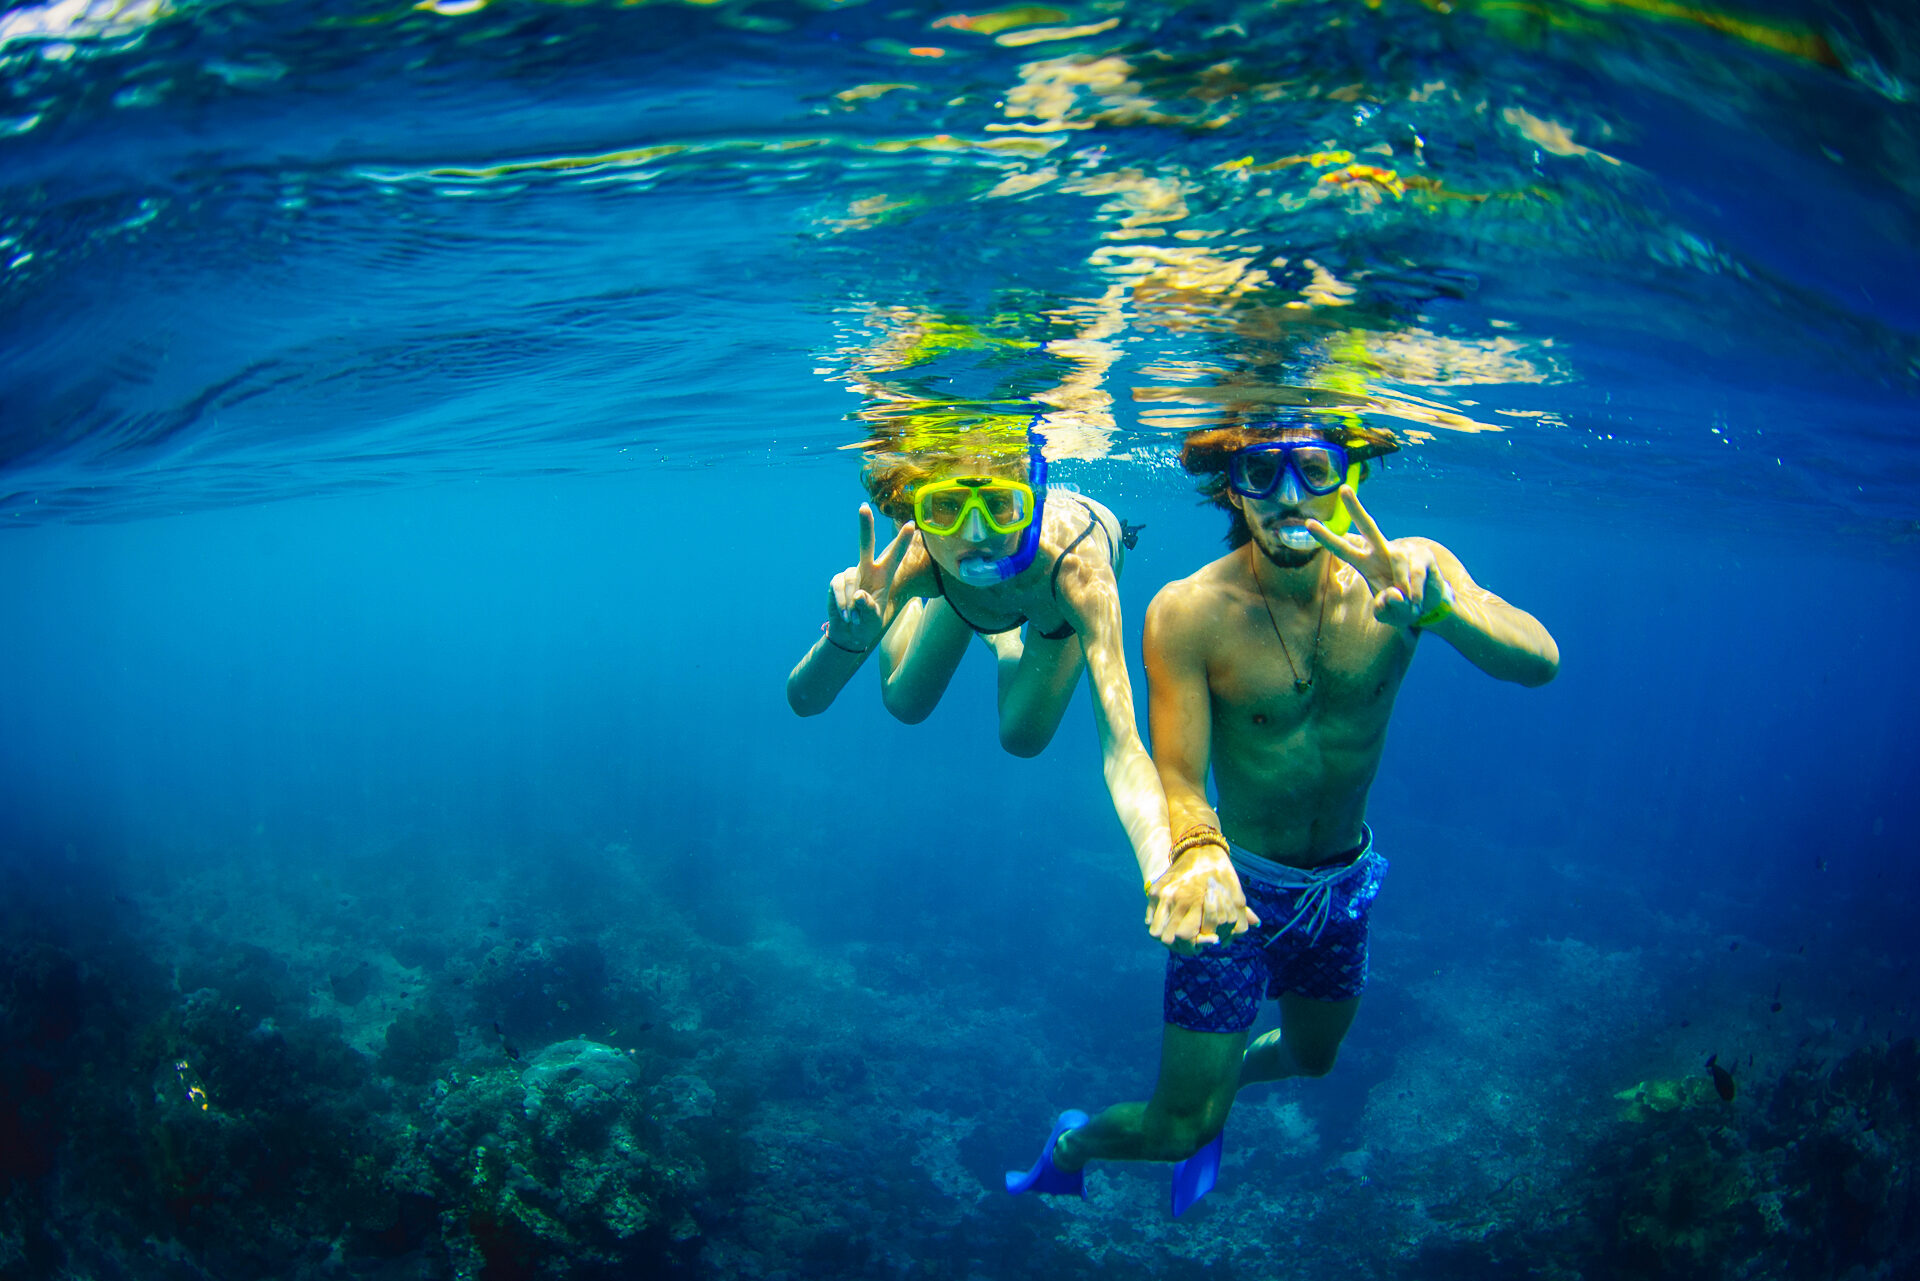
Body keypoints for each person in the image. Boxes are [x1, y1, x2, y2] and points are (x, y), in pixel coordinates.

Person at [1006, 417, 1560, 1213]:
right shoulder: (1189, 612)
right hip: (1234, 891)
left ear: (1350, 474)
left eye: (1314, 467)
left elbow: (1538, 660)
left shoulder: (1412, 573)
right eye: (1262, 473)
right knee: (1177, 1130)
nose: (1289, 496)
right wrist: (1195, 848)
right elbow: (1180, 779)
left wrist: (1445, 613)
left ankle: (1218, 1084)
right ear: (1232, 485)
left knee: (1313, 1057)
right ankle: (1072, 1142)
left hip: (1342, 887)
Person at [786, 423, 1214, 916]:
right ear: (917, 513)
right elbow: (804, 701)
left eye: (999, 505)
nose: (975, 534)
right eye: (945, 507)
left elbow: (1124, 747)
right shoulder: (924, 554)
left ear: (1029, 503)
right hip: (955, 586)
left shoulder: (1079, 574)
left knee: (1023, 738)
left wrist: (1162, 868)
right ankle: (937, 612)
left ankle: (1005, 639)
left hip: (1050, 601)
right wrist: (844, 641)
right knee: (904, 702)